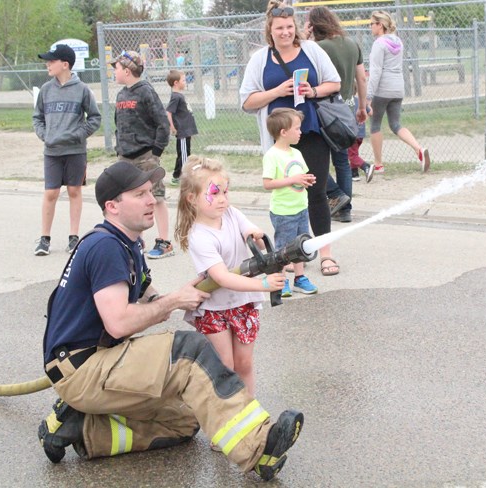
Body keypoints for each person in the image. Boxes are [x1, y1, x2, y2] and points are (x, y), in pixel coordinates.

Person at [38, 161, 303, 481]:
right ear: (112, 206)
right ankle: (259, 447)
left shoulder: (127, 243)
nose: (152, 200)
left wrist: (181, 295)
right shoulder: (105, 246)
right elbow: (118, 323)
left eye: (151, 192)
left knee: (187, 417)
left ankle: (79, 427)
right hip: (84, 368)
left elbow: (147, 293)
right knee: (190, 352)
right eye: (139, 194)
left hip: (92, 366)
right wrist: (175, 301)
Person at [240, 1, 342, 277]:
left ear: (295, 28)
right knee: (286, 195)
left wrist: (313, 91)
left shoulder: (311, 50)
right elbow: (248, 101)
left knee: (316, 192)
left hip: (310, 132)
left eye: (288, 27)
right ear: (269, 31)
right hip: (280, 141)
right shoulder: (259, 59)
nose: (285, 32)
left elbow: (335, 83)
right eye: (279, 28)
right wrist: (276, 91)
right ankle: (291, 256)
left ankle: (325, 254)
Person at [174, 155, 285, 396]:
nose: (222, 199)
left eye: (225, 191)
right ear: (191, 198)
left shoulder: (231, 214)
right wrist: (263, 284)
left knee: (244, 365)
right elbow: (222, 277)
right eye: (214, 193)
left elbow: (252, 234)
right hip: (215, 309)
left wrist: (256, 235)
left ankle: (250, 415)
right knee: (225, 367)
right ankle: (225, 418)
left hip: (243, 304)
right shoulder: (199, 236)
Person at [33, 44, 101, 256]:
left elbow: (95, 118)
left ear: (65, 64)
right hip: (52, 152)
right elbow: (37, 118)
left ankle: (73, 238)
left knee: (74, 191)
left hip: (75, 151)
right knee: (51, 192)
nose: (48, 64)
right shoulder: (46, 90)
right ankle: (44, 239)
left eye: (52, 61)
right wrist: (46, 135)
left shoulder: (81, 89)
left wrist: (76, 135)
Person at [305, 6, 368, 224]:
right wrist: (362, 106)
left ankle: (335, 195)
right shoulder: (351, 43)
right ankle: (345, 208)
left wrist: (304, 37)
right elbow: (362, 78)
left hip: (323, 108)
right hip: (347, 107)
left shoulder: (316, 47)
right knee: (342, 159)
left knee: (313, 157)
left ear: (314, 25)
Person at [111, 50, 174, 259]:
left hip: (145, 155)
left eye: (117, 68)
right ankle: (134, 239)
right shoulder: (121, 94)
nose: (114, 72)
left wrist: (156, 151)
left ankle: (164, 241)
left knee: (155, 197)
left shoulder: (145, 91)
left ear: (127, 71)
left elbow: (162, 123)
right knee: (130, 199)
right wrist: (119, 147)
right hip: (125, 156)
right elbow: (118, 124)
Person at [262, 108, 318, 297]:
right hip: (283, 211)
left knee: (301, 244)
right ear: (283, 132)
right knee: (284, 248)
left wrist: (307, 180)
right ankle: (282, 279)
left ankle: (300, 278)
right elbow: (267, 184)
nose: (300, 132)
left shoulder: (296, 153)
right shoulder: (272, 155)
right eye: (297, 128)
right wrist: (292, 181)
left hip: (301, 207)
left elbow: (300, 175)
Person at [368, 11, 431, 173]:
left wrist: (368, 96)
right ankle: (418, 149)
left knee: (375, 125)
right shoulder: (398, 41)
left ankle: (378, 164)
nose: (370, 27)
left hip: (382, 90)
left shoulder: (379, 43)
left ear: (380, 25)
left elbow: (376, 72)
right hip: (398, 88)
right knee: (396, 124)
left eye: (372, 24)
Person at [166, 69, 198, 187]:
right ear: (176, 83)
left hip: (186, 131)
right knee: (184, 156)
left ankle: (177, 176)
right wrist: (173, 127)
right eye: (183, 80)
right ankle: (183, 177)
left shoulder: (179, 96)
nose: (185, 82)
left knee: (184, 154)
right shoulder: (176, 97)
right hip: (182, 131)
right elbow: (169, 112)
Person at [348, 94, 375, 183]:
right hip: (360, 133)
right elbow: (370, 112)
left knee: (352, 155)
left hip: (351, 132)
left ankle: (366, 167)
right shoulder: (359, 101)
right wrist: (367, 105)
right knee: (354, 153)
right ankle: (354, 174)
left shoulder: (344, 100)